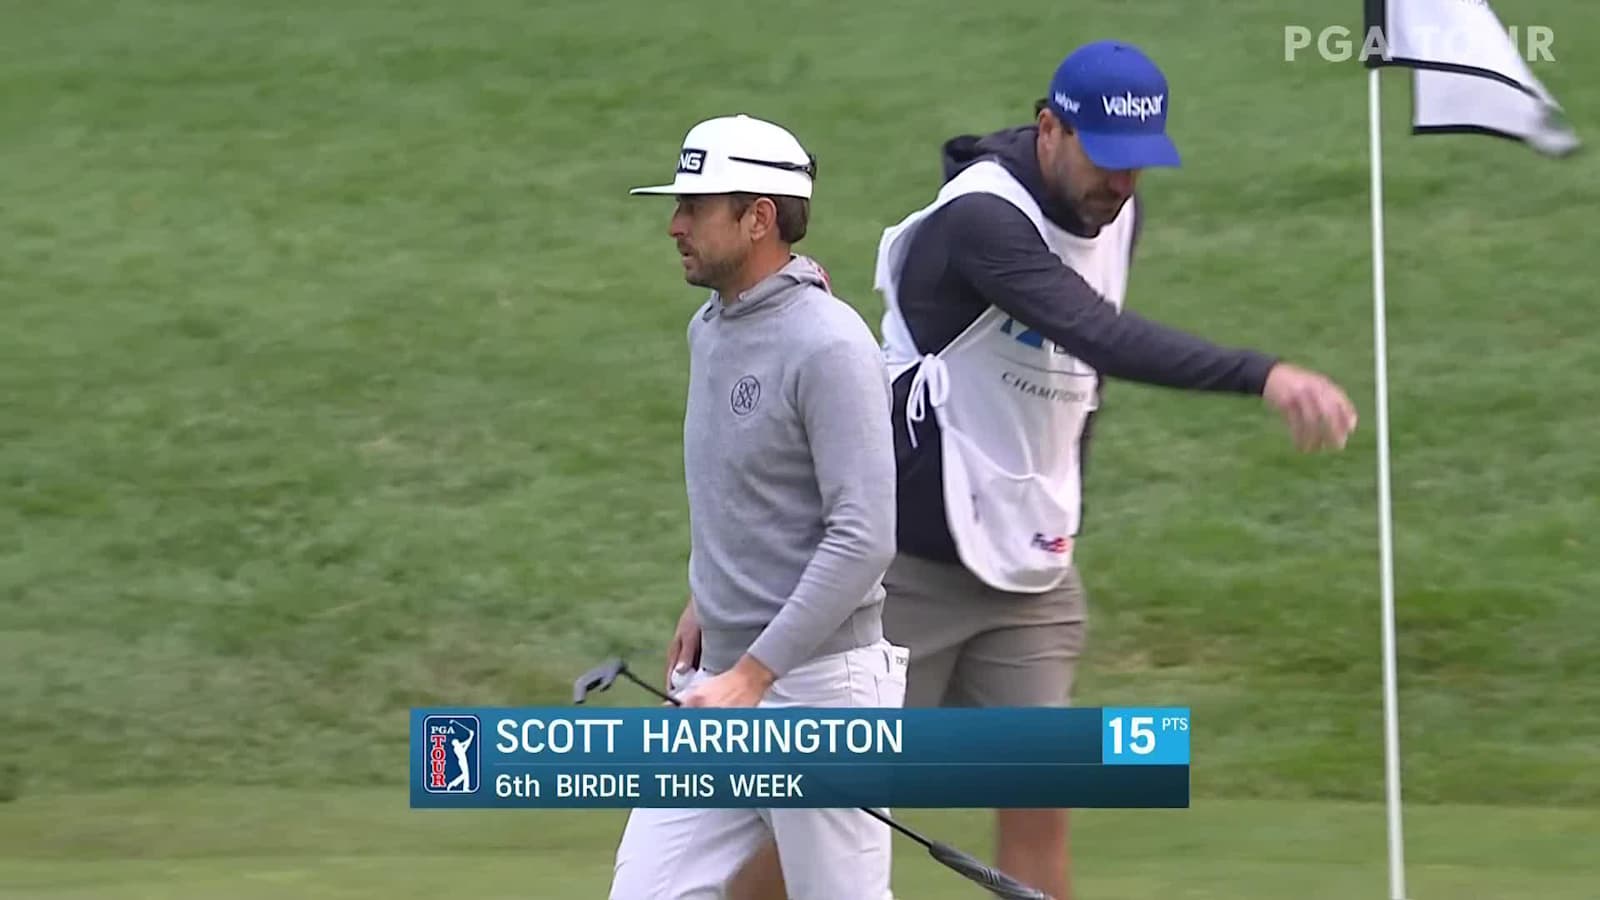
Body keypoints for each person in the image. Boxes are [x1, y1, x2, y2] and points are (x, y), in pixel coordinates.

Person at [725, 40, 1358, 900]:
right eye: (1108, 161)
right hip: (905, 572)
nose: (1124, 185)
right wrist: (1264, 373)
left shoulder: (1115, 210)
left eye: (1141, 165)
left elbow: (1072, 389)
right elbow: (1095, 334)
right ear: (1050, 128)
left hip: (1032, 568)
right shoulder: (980, 222)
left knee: (1038, 799)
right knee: (848, 808)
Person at [608, 113, 908, 900]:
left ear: (759, 218)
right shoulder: (709, 330)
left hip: (822, 686)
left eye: (695, 207)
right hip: (722, 682)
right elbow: (748, 490)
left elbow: (864, 537)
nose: (675, 225)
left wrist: (753, 674)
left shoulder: (832, 346)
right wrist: (703, 597)